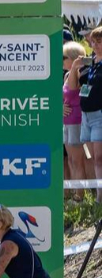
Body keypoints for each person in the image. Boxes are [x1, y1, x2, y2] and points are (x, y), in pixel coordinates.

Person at [65, 42, 87, 200]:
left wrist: (74, 68)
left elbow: (73, 90)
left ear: (73, 59)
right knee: (71, 160)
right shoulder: (66, 75)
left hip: (77, 121)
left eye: (63, 57)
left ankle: (80, 195)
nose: (60, 60)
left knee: (77, 160)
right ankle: (74, 193)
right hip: (66, 121)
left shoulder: (79, 73)